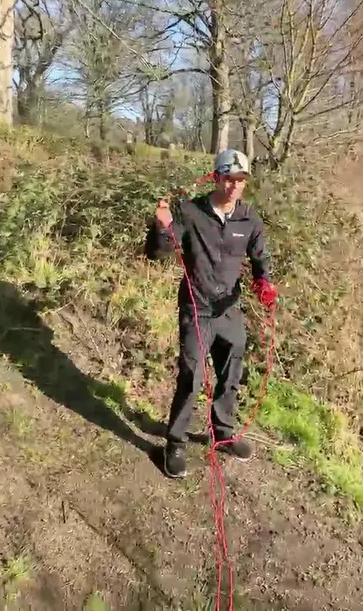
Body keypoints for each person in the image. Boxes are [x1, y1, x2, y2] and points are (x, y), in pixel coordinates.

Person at [146, 148, 278, 479]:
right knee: (191, 376)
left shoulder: (249, 219)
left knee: (231, 373)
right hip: (197, 308)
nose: (234, 186)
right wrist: (162, 227)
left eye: (240, 180)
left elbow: (260, 257)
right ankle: (175, 443)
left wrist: (264, 282)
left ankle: (223, 433)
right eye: (229, 179)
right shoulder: (190, 212)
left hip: (229, 310)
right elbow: (158, 253)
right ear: (216, 177)